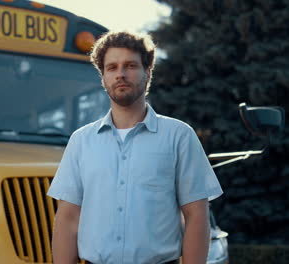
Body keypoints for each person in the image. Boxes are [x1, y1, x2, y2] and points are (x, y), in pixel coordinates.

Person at [47, 31, 223, 264]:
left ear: (147, 72)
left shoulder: (179, 136)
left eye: (130, 65)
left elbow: (196, 215)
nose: (120, 74)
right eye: (112, 68)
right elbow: (68, 219)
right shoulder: (81, 141)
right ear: (103, 77)